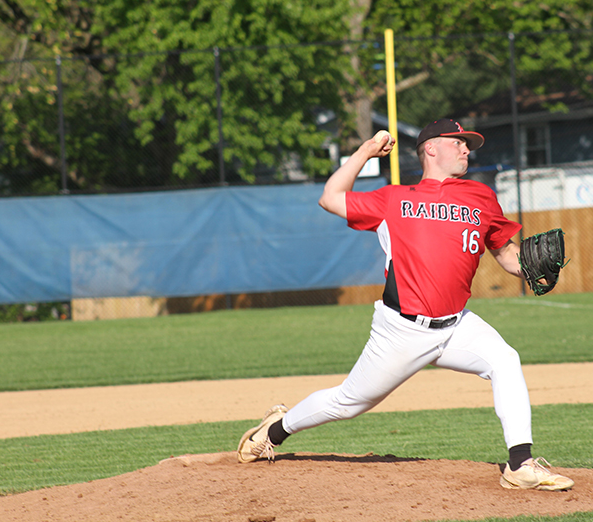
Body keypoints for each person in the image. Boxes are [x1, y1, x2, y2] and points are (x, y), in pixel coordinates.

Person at [237, 119, 574, 491]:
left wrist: (529, 268)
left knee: (505, 360)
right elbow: (330, 197)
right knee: (348, 402)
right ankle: (275, 430)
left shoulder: (481, 197)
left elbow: (506, 255)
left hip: (457, 324)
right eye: (458, 142)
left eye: (468, 144)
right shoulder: (394, 199)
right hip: (402, 330)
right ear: (431, 148)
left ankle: (520, 465)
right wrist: (366, 150)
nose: (466, 149)